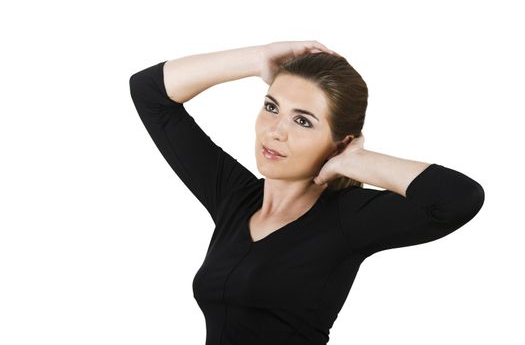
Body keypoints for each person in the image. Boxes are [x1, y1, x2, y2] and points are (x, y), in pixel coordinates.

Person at [128, 41, 485, 345]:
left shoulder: (346, 219)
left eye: (302, 121)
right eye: (271, 107)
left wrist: (357, 161)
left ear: (340, 143)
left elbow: (457, 198)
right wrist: (258, 59)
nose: (275, 132)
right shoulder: (234, 198)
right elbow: (149, 91)